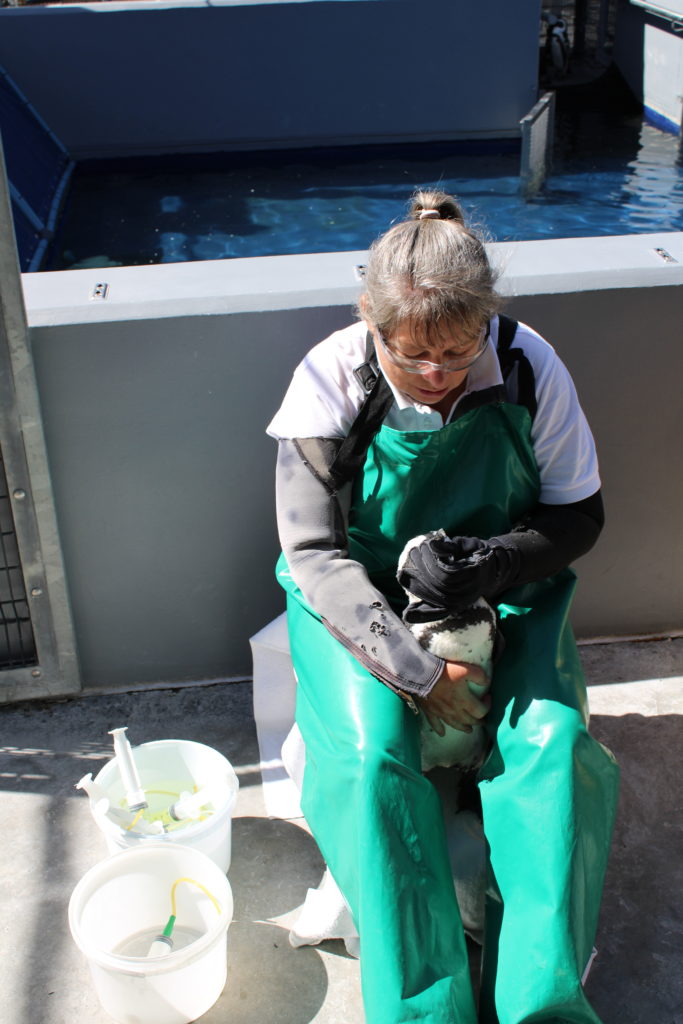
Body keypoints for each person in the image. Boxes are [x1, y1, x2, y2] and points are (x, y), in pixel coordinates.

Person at [267, 190, 619, 1024]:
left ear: (488, 322)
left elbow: (578, 515)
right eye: (413, 355)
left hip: (506, 597)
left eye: (458, 353)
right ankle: (426, 1010)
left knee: (553, 749)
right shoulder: (328, 378)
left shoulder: (528, 365)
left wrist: (497, 562)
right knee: (370, 761)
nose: (435, 375)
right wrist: (419, 676)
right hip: (362, 603)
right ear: (370, 320)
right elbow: (314, 554)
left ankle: (541, 1003)